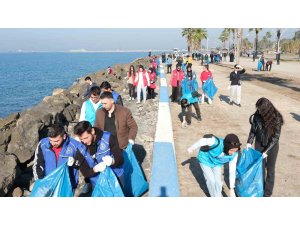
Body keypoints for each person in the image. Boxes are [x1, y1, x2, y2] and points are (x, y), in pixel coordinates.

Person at [70, 121, 124, 192]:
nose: (84, 142)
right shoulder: (80, 148)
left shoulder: (108, 138)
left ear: (92, 131)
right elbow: (85, 171)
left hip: (116, 177)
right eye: (81, 139)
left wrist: (112, 161)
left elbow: (120, 159)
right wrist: (94, 169)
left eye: (86, 138)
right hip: (97, 182)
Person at [246, 97, 284, 197]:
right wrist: (249, 142)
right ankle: (260, 189)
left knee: (270, 170)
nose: (258, 111)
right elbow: (253, 131)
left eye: (260, 109)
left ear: (266, 110)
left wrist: (266, 151)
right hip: (259, 144)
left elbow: (275, 138)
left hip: (272, 146)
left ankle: (267, 194)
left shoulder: (277, 118)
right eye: (257, 108)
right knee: (260, 169)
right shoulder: (256, 116)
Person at [32, 124, 81, 191]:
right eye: (50, 140)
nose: (53, 143)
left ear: (64, 136)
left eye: (56, 141)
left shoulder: (75, 145)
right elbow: (38, 164)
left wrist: (75, 162)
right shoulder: (43, 144)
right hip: (48, 185)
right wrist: (40, 182)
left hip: (68, 186)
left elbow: (82, 163)